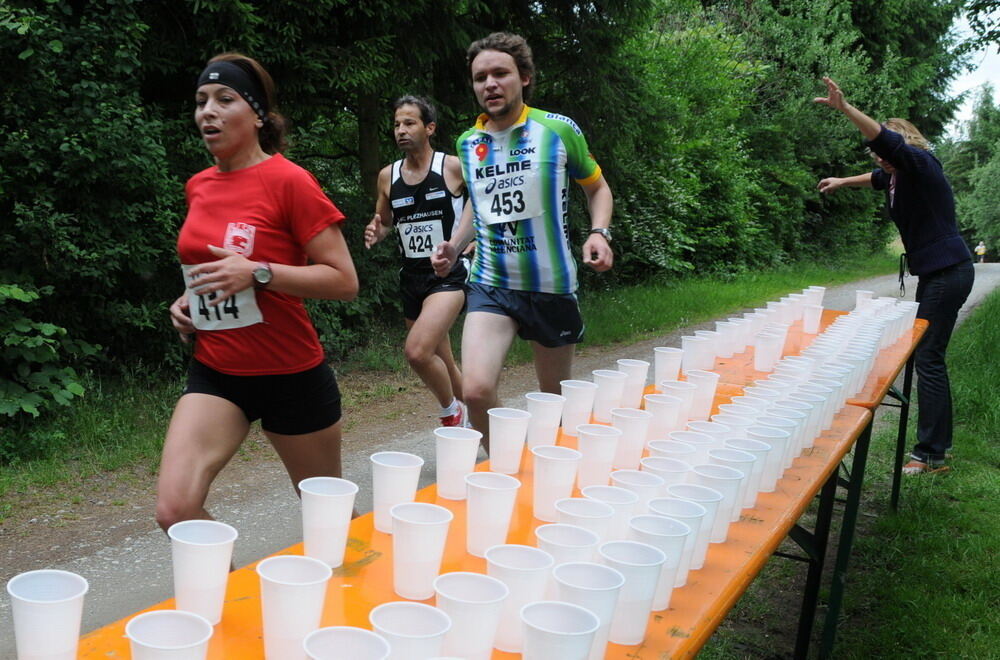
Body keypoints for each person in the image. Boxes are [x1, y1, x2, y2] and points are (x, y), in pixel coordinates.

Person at [157, 53, 359, 532]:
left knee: (328, 517)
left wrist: (260, 273)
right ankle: (235, 604)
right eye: (201, 100)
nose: (208, 110)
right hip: (218, 370)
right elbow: (211, 267)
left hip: (291, 373)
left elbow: (344, 281)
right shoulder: (198, 186)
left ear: (258, 115)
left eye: (225, 99)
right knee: (175, 510)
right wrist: (189, 301)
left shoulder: (290, 181)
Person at [431, 32, 614, 444]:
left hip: (550, 284)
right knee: (475, 390)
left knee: (555, 404)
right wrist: (454, 246)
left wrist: (598, 233)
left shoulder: (556, 130)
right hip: (492, 281)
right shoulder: (468, 142)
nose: (489, 84)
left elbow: (597, 188)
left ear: (524, 77)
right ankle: (504, 466)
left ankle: (556, 472)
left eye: (500, 74)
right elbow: (478, 207)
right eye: (480, 78)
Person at [815, 76, 974, 475]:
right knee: (930, 354)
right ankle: (940, 446)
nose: (881, 159)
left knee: (929, 357)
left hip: (948, 271)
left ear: (906, 144)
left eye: (886, 152)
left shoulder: (920, 164)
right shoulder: (896, 176)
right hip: (940, 272)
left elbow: (890, 145)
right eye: (879, 157)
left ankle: (931, 454)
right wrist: (842, 181)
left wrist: (846, 109)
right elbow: (876, 177)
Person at [365, 96, 468, 427]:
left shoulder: (451, 166)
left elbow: (484, 202)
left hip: (449, 274)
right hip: (412, 277)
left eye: (409, 123)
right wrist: (376, 231)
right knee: (445, 363)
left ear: (430, 128)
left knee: (417, 352)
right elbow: (384, 220)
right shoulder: (387, 176)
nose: (401, 130)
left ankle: (451, 411)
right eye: (396, 124)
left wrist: (470, 240)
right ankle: (487, 428)